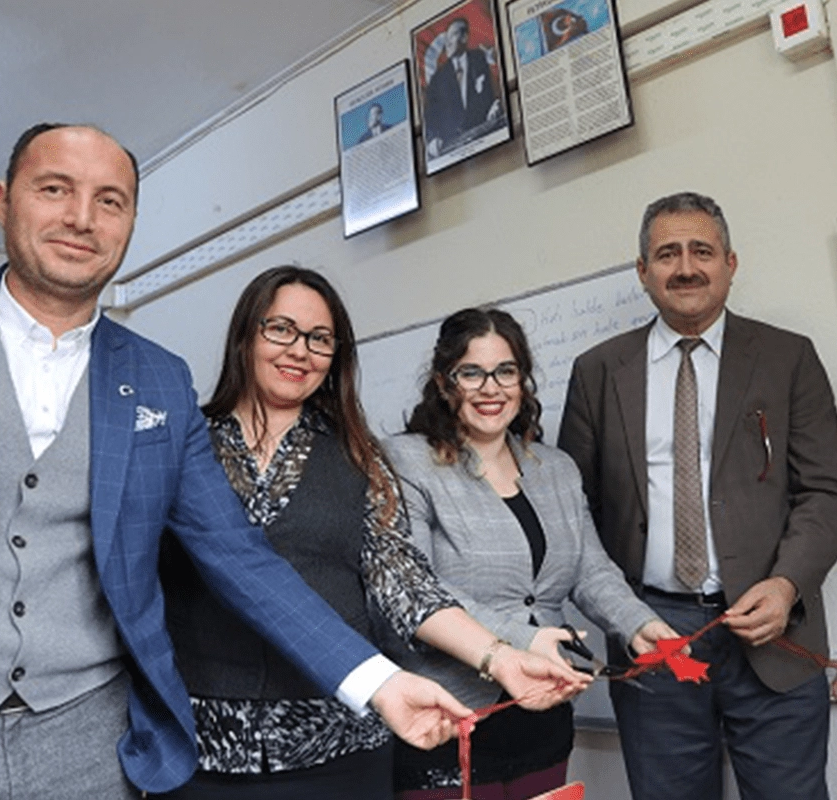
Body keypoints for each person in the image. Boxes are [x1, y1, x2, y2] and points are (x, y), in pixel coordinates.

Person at [0, 123, 472, 800]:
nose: (81, 218)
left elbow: (237, 555)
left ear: (130, 223)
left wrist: (378, 684)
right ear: (4, 200)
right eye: (55, 189)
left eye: (110, 200)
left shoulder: (156, 379)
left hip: (92, 739)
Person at [157, 266, 584, 799]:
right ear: (246, 335)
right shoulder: (182, 443)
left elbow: (403, 583)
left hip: (340, 749)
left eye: (320, 339)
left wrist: (498, 656)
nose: (300, 350)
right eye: (280, 329)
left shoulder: (360, 456)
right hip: (203, 748)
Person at [557, 191, 837, 800]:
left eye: (702, 251)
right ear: (643, 272)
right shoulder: (598, 371)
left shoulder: (786, 357)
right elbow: (574, 509)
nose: (686, 267)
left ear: (730, 263)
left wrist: (787, 583)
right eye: (667, 253)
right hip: (653, 638)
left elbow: (826, 490)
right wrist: (621, 614)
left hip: (774, 635)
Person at [383, 308, 675, 800]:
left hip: (543, 712)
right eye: (470, 373)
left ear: (523, 379)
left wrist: (638, 623)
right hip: (446, 717)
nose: (490, 388)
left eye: (505, 371)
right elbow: (417, 585)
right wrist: (525, 639)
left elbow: (589, 568)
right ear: (443, 382)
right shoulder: (404, 460)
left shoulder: (556, 467)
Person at [423, 17, 503, 158]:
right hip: (455, 148)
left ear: (465, 37)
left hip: (487, 139)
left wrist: (497, 102)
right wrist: (433, 139)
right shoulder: (438, 79)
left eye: (452, 36)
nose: (447, 42)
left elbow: (497, 88)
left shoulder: (481, 59)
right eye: (446, 37)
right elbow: (431, 115)